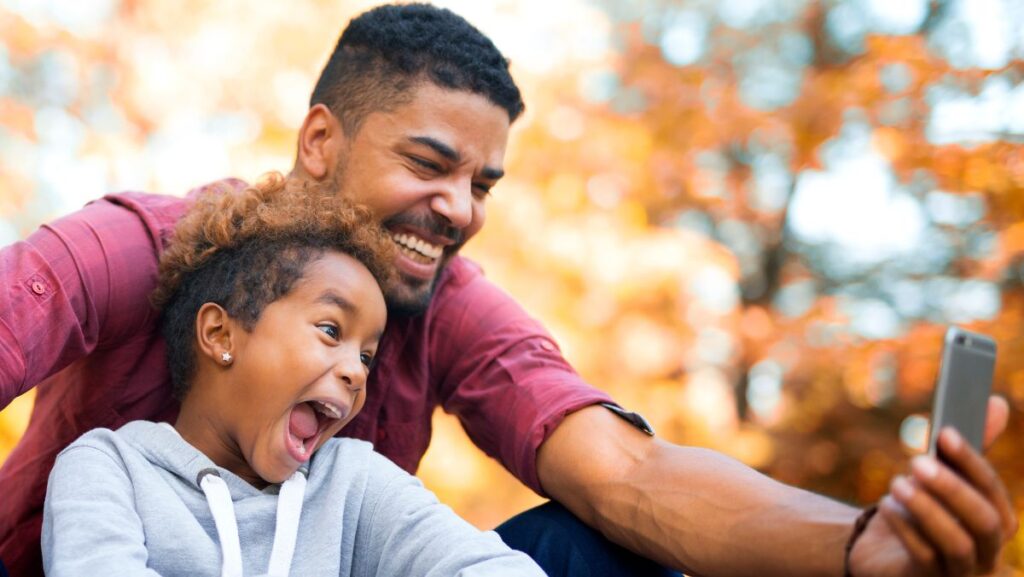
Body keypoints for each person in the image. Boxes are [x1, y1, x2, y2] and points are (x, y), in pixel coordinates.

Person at [0, 3, 1016, 577]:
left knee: (596, 545)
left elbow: (627, 474)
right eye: (430, 163)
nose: (459, 208)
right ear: (321, 142)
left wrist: (855, 545)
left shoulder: (440, 309)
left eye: (481, 184)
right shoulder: (143, 253)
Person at [42, 174, 545, 577]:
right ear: (221, 335)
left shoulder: (351, 483)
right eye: (331, 329)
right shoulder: (108, 468)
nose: (355, 372)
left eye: (367, 356)